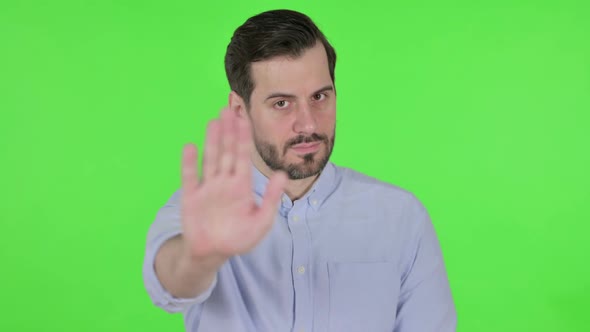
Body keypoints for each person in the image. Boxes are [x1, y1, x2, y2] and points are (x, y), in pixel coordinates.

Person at [142, 9, 456, 332]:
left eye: (320, 96)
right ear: (239, 111)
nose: (308, 123)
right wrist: (202, 257)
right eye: (282, 103)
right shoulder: (200, 210)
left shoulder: (401, 217)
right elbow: (170, 283)